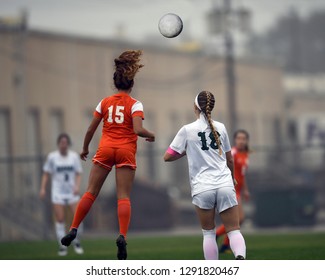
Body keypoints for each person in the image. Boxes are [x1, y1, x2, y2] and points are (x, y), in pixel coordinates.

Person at [60, 50, 155, 260]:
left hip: (105, 148)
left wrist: (85, 149)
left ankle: (74, 228)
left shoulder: (104, 102)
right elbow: (139, 130)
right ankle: (122, 236)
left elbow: (90, 130)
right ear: (131, 84)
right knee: (123, 196)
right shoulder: (135, 104)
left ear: (115, 83)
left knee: (91, 192)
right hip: (125, 151)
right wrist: (151, 135)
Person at [164, 91, 246, 260]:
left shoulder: (187, 130)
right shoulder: (221, 127)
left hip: (202, 187)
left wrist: (187, 151)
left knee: (209, 234)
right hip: (224, 184)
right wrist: (231, 179)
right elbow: (229, 160)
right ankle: (240, 257)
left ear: (195, 107)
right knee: (234, 230)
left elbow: (168, 156)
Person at [40, 133, 84, 256]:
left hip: (71, 192)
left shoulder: (74, 157)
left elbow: (78, 173)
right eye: (61, 143)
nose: (63, 145)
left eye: (65, 143)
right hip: (58, 192)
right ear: (58, 144)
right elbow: (46, 173)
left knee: (77, 218)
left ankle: (76, 241)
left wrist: (77, 186)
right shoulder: (52, 157)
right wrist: (43, 188)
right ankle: (62, 246)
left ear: (68, 144)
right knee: (60, 219)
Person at [216, 129, 250, 253]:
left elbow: (243, 174)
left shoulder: (245, 154)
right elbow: (225, 166)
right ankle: (217, 236)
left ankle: (225, 245)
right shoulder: (233, 153)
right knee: (239, 219)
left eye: (243, 138)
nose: (241, 141)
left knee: (238, 220)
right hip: (231, 188)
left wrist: (245, 190)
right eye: (239, 138)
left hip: (239, 190)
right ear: (235, 140)